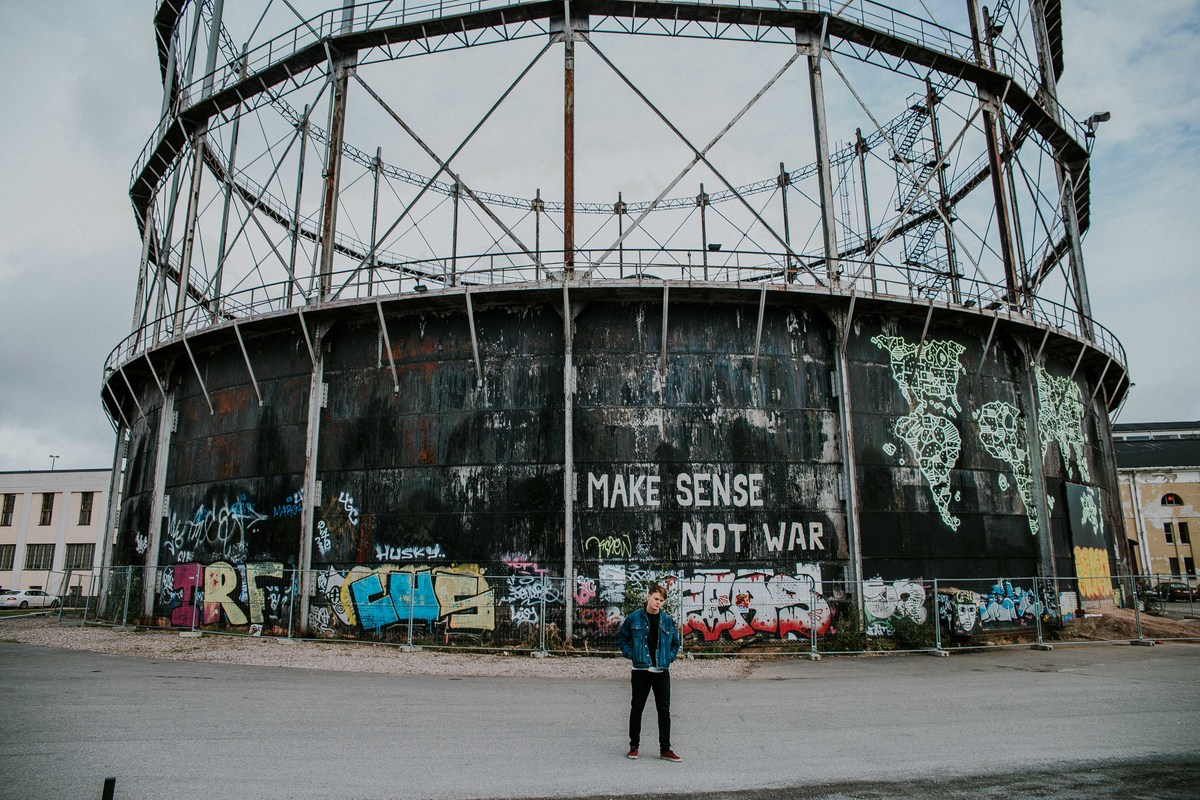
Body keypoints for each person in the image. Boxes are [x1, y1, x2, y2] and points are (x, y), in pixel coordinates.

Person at [616, 583, 683, 762]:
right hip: (640, 670)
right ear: (648, 596)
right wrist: (631, 655)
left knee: (664, 710)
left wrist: (668, 658)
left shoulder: (667, 620)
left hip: (661, 670)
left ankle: (665, 749)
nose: (658, 603)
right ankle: (634, 746)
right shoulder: (634, 618)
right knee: (637, 708)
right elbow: (622, 638)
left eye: (661, 600)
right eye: (655, 599)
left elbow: (676, 643)